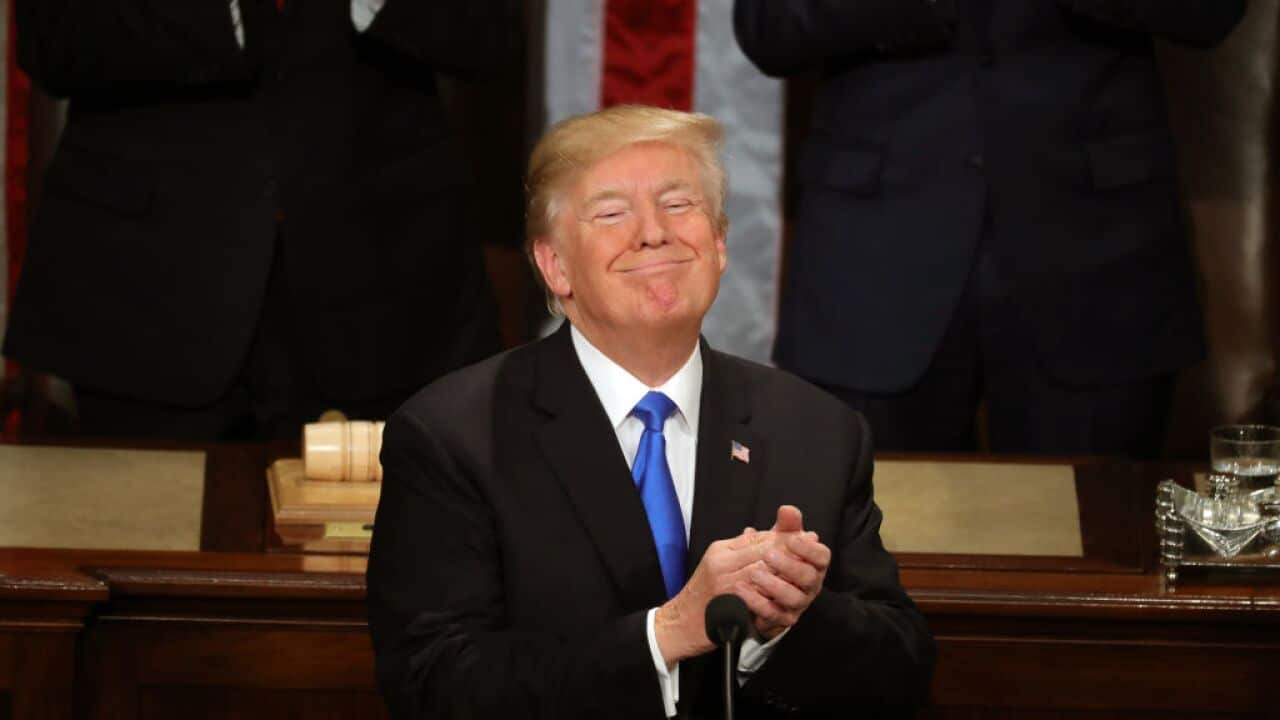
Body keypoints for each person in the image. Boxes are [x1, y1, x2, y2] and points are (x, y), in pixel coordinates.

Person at [366, 105, 933, 719]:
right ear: (555, 266)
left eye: (679, 204)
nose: (654, 232)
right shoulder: (454, 435)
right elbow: (433, 684)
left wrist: (789, 618)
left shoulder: (818, 430)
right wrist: (664, 635)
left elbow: (902, 671)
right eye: (612, 213)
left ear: (718, 244)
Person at [734, 0, 1247, 456]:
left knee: (1096, 545)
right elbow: (768, 25)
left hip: (1100, 262)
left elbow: (1212, 13)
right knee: (869, 547)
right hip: (873, 263)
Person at [2, 0, 515, 440]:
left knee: (390, 551)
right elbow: (52, 37)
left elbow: (490, 35)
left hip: (388, 297)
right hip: (142, 300)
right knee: (137, 552)